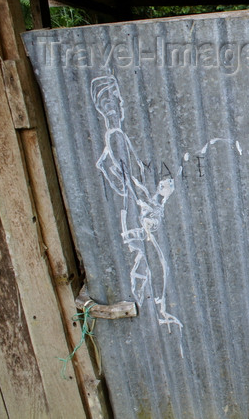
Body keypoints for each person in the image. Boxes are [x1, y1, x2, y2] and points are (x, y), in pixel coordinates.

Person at [92, 75, 182, 332]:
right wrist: (155, 200)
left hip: (131, 213)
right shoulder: (116, 135)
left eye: (117, 98)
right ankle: (158, 313)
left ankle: (152, 313)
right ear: (108, 105)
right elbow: (130, 181)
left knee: (145, 262)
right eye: (114, 99)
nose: (119, 103)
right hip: (135, 215)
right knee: (154, 261)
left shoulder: (114, 136)